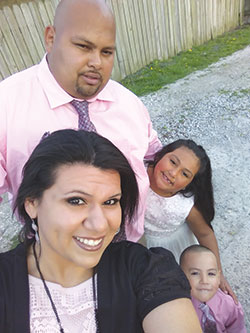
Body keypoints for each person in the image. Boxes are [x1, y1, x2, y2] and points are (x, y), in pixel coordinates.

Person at [0, 129, 202, 332]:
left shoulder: (144, 269)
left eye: (110, 202)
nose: (100, 225)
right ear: (32, 203)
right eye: (76, 201)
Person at [0, 0, 161, 242]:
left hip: (129, 245)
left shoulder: (129, 104)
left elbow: (152, 155)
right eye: (84, 47)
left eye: (106, 52)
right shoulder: (7, 106)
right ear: (51, 38)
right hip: (55, 263)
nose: (96, 62)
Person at [143, 139, 237, 302]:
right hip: (136, 237)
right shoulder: (139, 172)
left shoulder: (184, 205)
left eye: (184, 174)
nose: (173, 173)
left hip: (170, 247)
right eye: (173, 162)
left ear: (188, 184)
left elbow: (205, 234)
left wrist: (218, 272)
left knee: (176, 288)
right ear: (162, 155)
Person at [180, 245, 247, 333]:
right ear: (180, 275)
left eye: (211, 274)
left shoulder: (228, 304)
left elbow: (237, 328)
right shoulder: (178, 309)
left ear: (218, 277)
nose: (204, 281)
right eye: (195, 273)